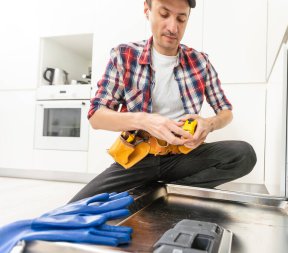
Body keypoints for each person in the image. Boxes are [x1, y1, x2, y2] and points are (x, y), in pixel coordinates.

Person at [70, 0, 256, 202]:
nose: (173, 27)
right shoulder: (124, 55)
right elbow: (96, 117)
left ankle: (161, 195)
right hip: (139, 158)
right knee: (75, 209)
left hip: (184, 157)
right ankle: (162, 195)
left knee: (244, 154)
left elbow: (225, 111)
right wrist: (144, 120)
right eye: (164, 14)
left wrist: (209, 124)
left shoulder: (200, 62)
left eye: (181, 19)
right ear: (147, 11)